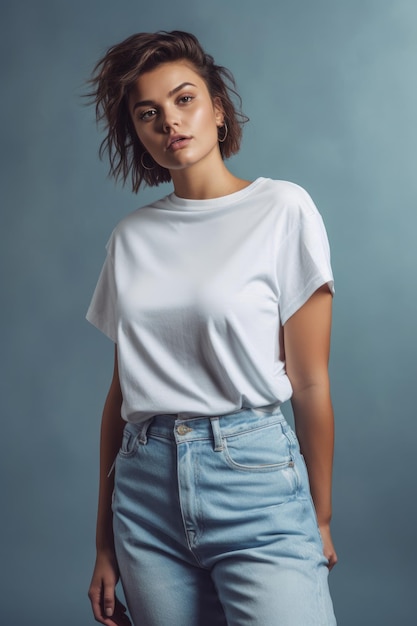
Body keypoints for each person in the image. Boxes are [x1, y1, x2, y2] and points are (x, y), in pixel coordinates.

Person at [86, 30, 337, 626]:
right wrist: (102, 544)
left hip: (254, 478)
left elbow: (311, 385)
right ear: (139, 135)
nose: (169, 121)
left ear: (218, 109)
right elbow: (122, 395)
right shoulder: (130, 238)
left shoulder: (283, 209)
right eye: (148, 114)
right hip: (145, 494)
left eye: (183, 99)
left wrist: (319, 516)